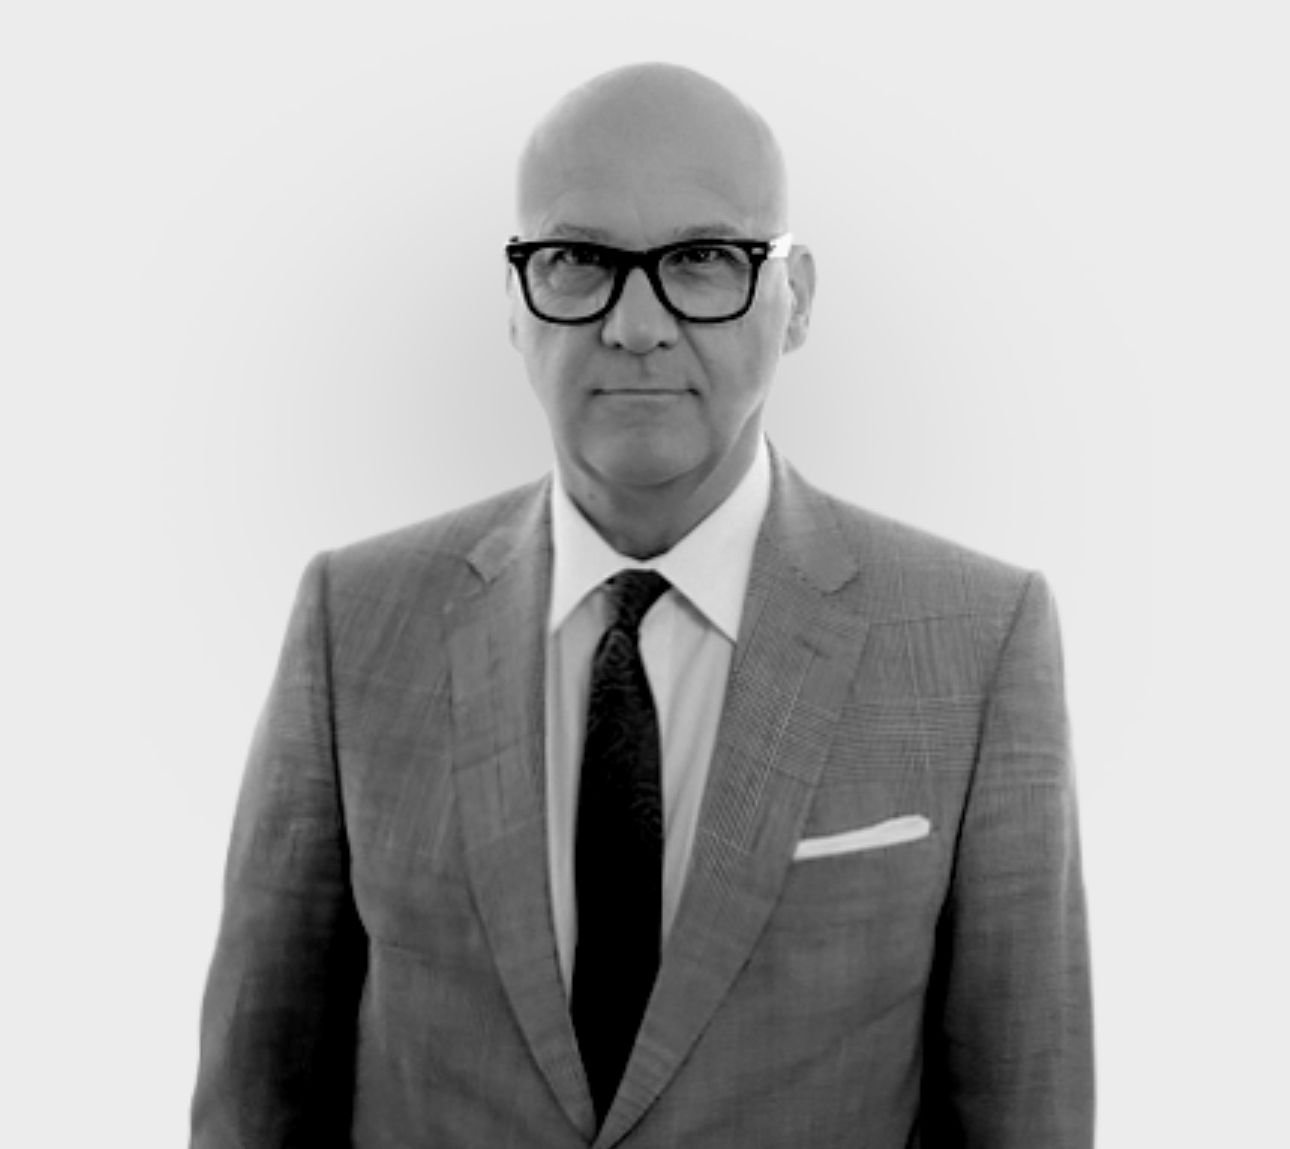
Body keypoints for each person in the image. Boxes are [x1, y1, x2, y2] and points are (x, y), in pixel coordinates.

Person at [190, 62, 1094, 1148]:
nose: (635, 323)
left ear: (797, 299)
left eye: (703, 259)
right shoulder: (353, 623)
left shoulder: (981, 640)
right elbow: (256, 1100)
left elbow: (1023, 1107)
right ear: (515, 303)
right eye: (578, 261)